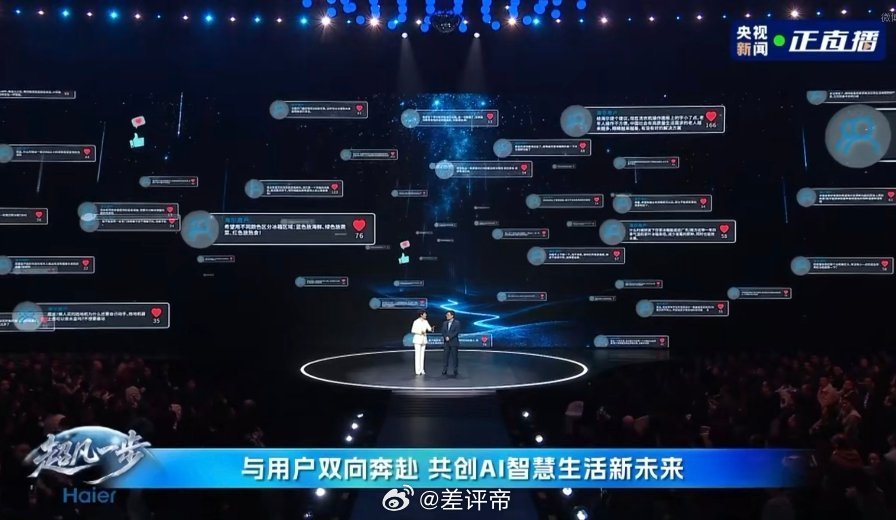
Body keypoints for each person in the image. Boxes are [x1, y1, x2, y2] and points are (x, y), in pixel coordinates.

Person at [410, 310, 432, 376]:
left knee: (422, 355)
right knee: (418, 355)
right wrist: (420, 332)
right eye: (425, 314)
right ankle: (418, 370)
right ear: (421, 315)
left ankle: (422, 369)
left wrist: (430, 329)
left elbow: (429, 328)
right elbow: (413, 330)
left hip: (423, 340)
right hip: (417, 339)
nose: (426, 315)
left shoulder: (426, 321)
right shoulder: (416, 322)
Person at [441, 311, 461, 377]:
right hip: (446, 343)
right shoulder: (444, 323)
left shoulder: (457, 323)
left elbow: (456, 332)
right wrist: (445, 337)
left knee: (455, 357)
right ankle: (445, 369)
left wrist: (449, 337)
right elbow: (443, 331)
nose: (446, 316)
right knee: (445, 357)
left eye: (448, 315)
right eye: (446, 314)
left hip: (454, 342)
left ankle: (455, 369)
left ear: (452, 316)